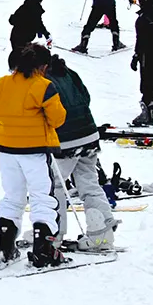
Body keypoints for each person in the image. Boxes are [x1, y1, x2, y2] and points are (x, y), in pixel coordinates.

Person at [0, 43, 68, 268]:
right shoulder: (44, 86)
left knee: (12, 197)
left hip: (7, 150)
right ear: (42, 66)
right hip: (35, 151)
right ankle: (43, 251)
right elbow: (57, 119)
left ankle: (5, 247)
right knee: (42, 198)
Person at [46, 55, 116, 250]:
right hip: (89, 133)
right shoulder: (69, 73)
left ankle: (53, 233)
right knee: (89, 183)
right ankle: (102, 232)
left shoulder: (44, 81)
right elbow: (86, 97)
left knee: (55, 184)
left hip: (67, 137)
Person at [7, 0, 50, 68]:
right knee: (23, 59)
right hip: (25, 38)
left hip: (16, 36)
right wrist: (46, 34)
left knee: (19, 57)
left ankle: (17, 73)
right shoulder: (35, 10)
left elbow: (12, 20)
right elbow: (38, 24)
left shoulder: (24, 6)